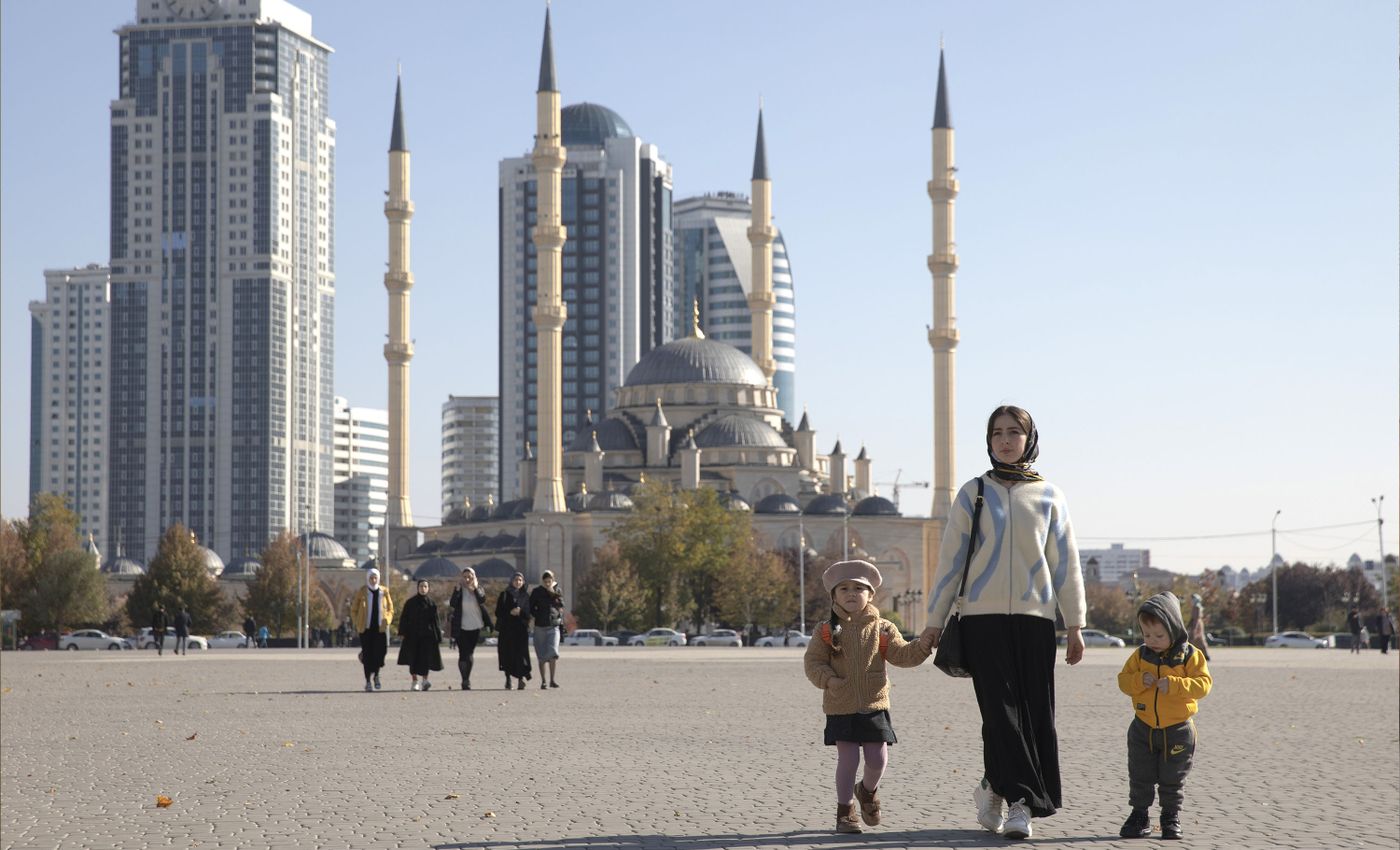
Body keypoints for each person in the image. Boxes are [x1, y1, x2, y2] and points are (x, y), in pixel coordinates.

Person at [920, 405, 1087, 841]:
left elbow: (1065, 563)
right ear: (989, 441)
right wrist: (933, 621)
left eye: (1015, 432)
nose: (1006, 440)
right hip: (982, 620)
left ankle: (992, 787)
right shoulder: (973, 492)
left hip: (1036, 621)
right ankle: (1021, 803)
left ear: (1029, 439)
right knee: (1000, 714)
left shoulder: (1050, 495)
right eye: (997, 433)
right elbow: (951, 562)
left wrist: (1075, 624)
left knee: (1037, 716)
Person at [804, 560, 933, 834]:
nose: (851, 593)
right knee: (848, 760)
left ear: (871, 594)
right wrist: (829, 680)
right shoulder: (825, 630)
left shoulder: (883, 628)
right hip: (840, 705)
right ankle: (845, 811)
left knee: (877, 760)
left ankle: (867, 791)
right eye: (844, 589)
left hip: (875, 704)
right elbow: (813, 663)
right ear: (834, 596)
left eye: (859, 588)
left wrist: (922, 646)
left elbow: (901, 654)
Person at [1116, 592, 1213, 840]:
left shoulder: (1190, 655)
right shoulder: (1140, 655)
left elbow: (1203, 685)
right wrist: (1139, 680)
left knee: (1173, 778)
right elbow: (1123, 681)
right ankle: (1139, 815)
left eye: (1159, 635)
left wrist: (1177, 685)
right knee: (1140, 774)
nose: (1152, 641)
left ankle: (1170, 817)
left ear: (1174, 628)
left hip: (1178, 728)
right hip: (1143, 727)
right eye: (1147, 635)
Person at [350, 567, 395, 691]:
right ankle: (368, 681)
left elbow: (391, 609)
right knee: (368, 654)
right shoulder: (362, 591)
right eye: (371, 578)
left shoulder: (384, 591)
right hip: (366, 629)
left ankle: (376, 675)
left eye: (375, 578)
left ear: (378, 578)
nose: (373, 580)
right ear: (368, 579)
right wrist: (357, 621)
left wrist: (388, 620)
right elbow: (354, 609)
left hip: (380, 628)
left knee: (381, 653)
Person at [448, 567, 493, 690]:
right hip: (461, 627)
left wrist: (474, 588)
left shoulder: (478, 589)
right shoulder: (458, 589)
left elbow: (482, 599)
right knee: (463, 653)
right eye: (465, 577)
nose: (467, 579)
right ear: (461, 577)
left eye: (470, 576)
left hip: (475, 626)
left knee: (470, 653)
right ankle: (465, 680)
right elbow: (452, 603)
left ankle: (467, 677)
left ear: (474, 577)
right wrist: (457, 590)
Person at [397, 580, 444, 691]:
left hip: (427, 636)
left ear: (428, 588)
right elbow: (404, 618)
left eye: (425, 586)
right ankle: (414, 681)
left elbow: (436, 621)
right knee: (413, 659)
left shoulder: (431, 604)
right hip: (412, 636)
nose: (423, 588)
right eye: (421, 586)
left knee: (425, 660)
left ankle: (425, 680)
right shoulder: (410, 603)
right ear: (417, 588)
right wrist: (402, 632)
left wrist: (438, 636)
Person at [495, 571, 533, 690]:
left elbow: (529, 613)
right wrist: (509, 612)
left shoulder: (525, 596)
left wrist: (520, 612)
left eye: (520, 580)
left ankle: (521, 679)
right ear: (512, 581)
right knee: (508, 654)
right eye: (516, 580)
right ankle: (508, 679)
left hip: (521, 630)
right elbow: (498, 612)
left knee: (521, 655)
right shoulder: (505, 595)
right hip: (507, 630)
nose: (518, 582)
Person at [529, 570, 565, 690]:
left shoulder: (557, 590)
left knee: (553, 653)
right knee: (542, 656)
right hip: (540, 626)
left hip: (553, 625)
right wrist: (537, 615)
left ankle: (552, 680)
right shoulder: (537, 591)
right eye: (545, 582)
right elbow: (531, 607)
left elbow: (561, 604)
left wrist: (553, 593)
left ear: (553, 580)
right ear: (542, 581)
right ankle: (544, 681)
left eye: (549, 581)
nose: (547, 583)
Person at [1186, 594, 1210, 662]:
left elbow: (1196, 618)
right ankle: (1192, 654)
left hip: (1197, 624)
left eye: (1193, 598)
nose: (1192, 600)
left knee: (1197, 639)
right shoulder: (1194, 607)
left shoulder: (1197, 607)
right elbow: (1192, 618)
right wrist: (1188, 625)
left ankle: (1205, 655)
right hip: (1195, 623)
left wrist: (1194, 628)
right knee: (1197, 640)